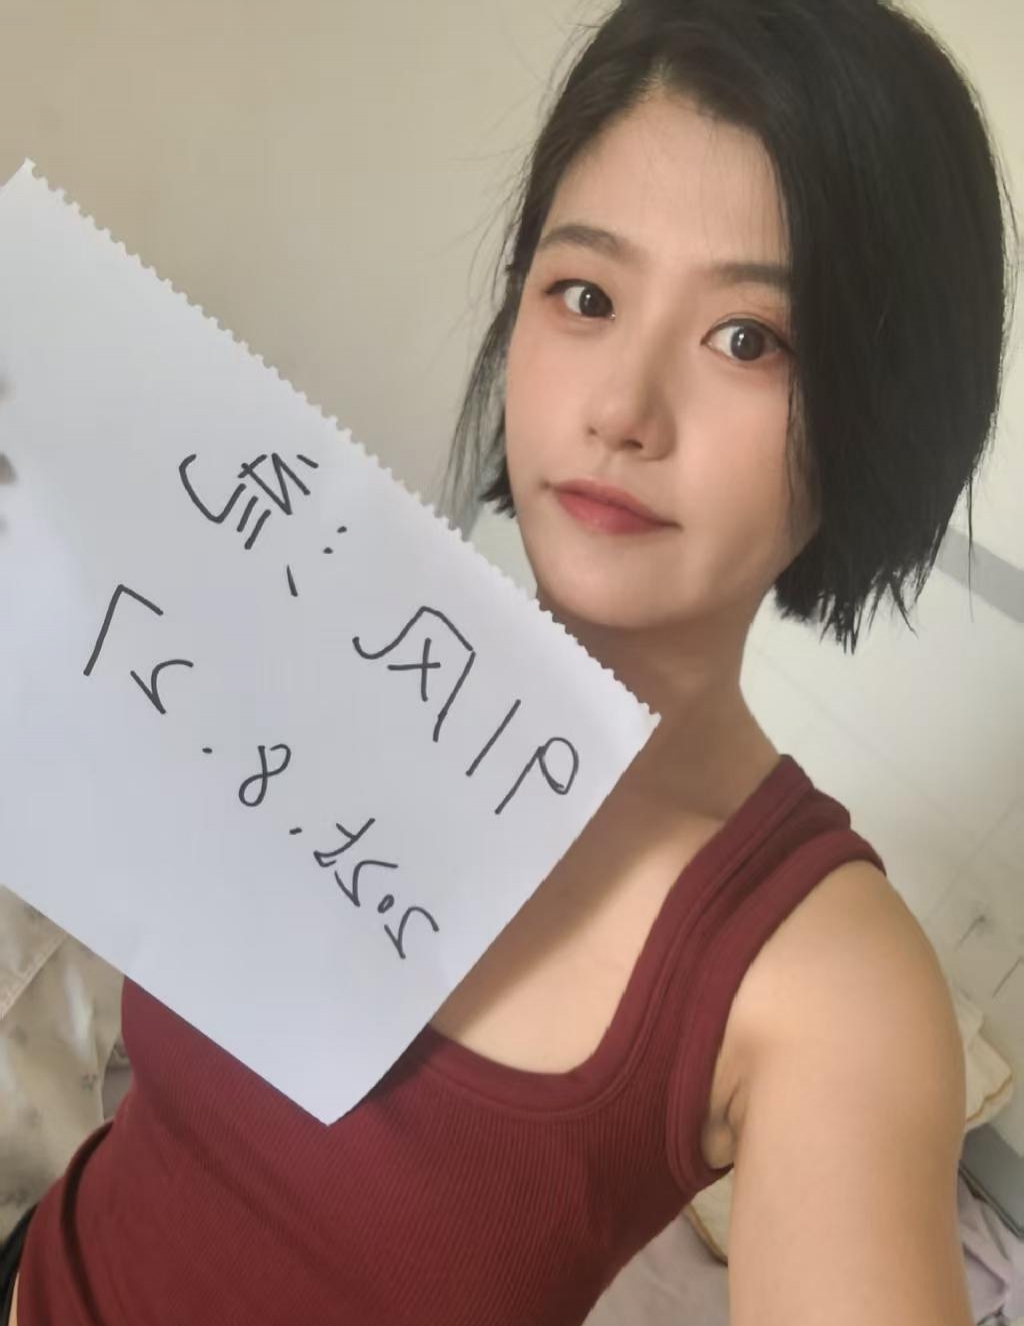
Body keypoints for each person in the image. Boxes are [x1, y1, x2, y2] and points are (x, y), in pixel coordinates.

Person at [2, 0, 1017, 1323]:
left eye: (749, 339)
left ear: (879, 412)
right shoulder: (292, 635)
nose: (622, 409)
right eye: (585, 294)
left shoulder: (823, 980)